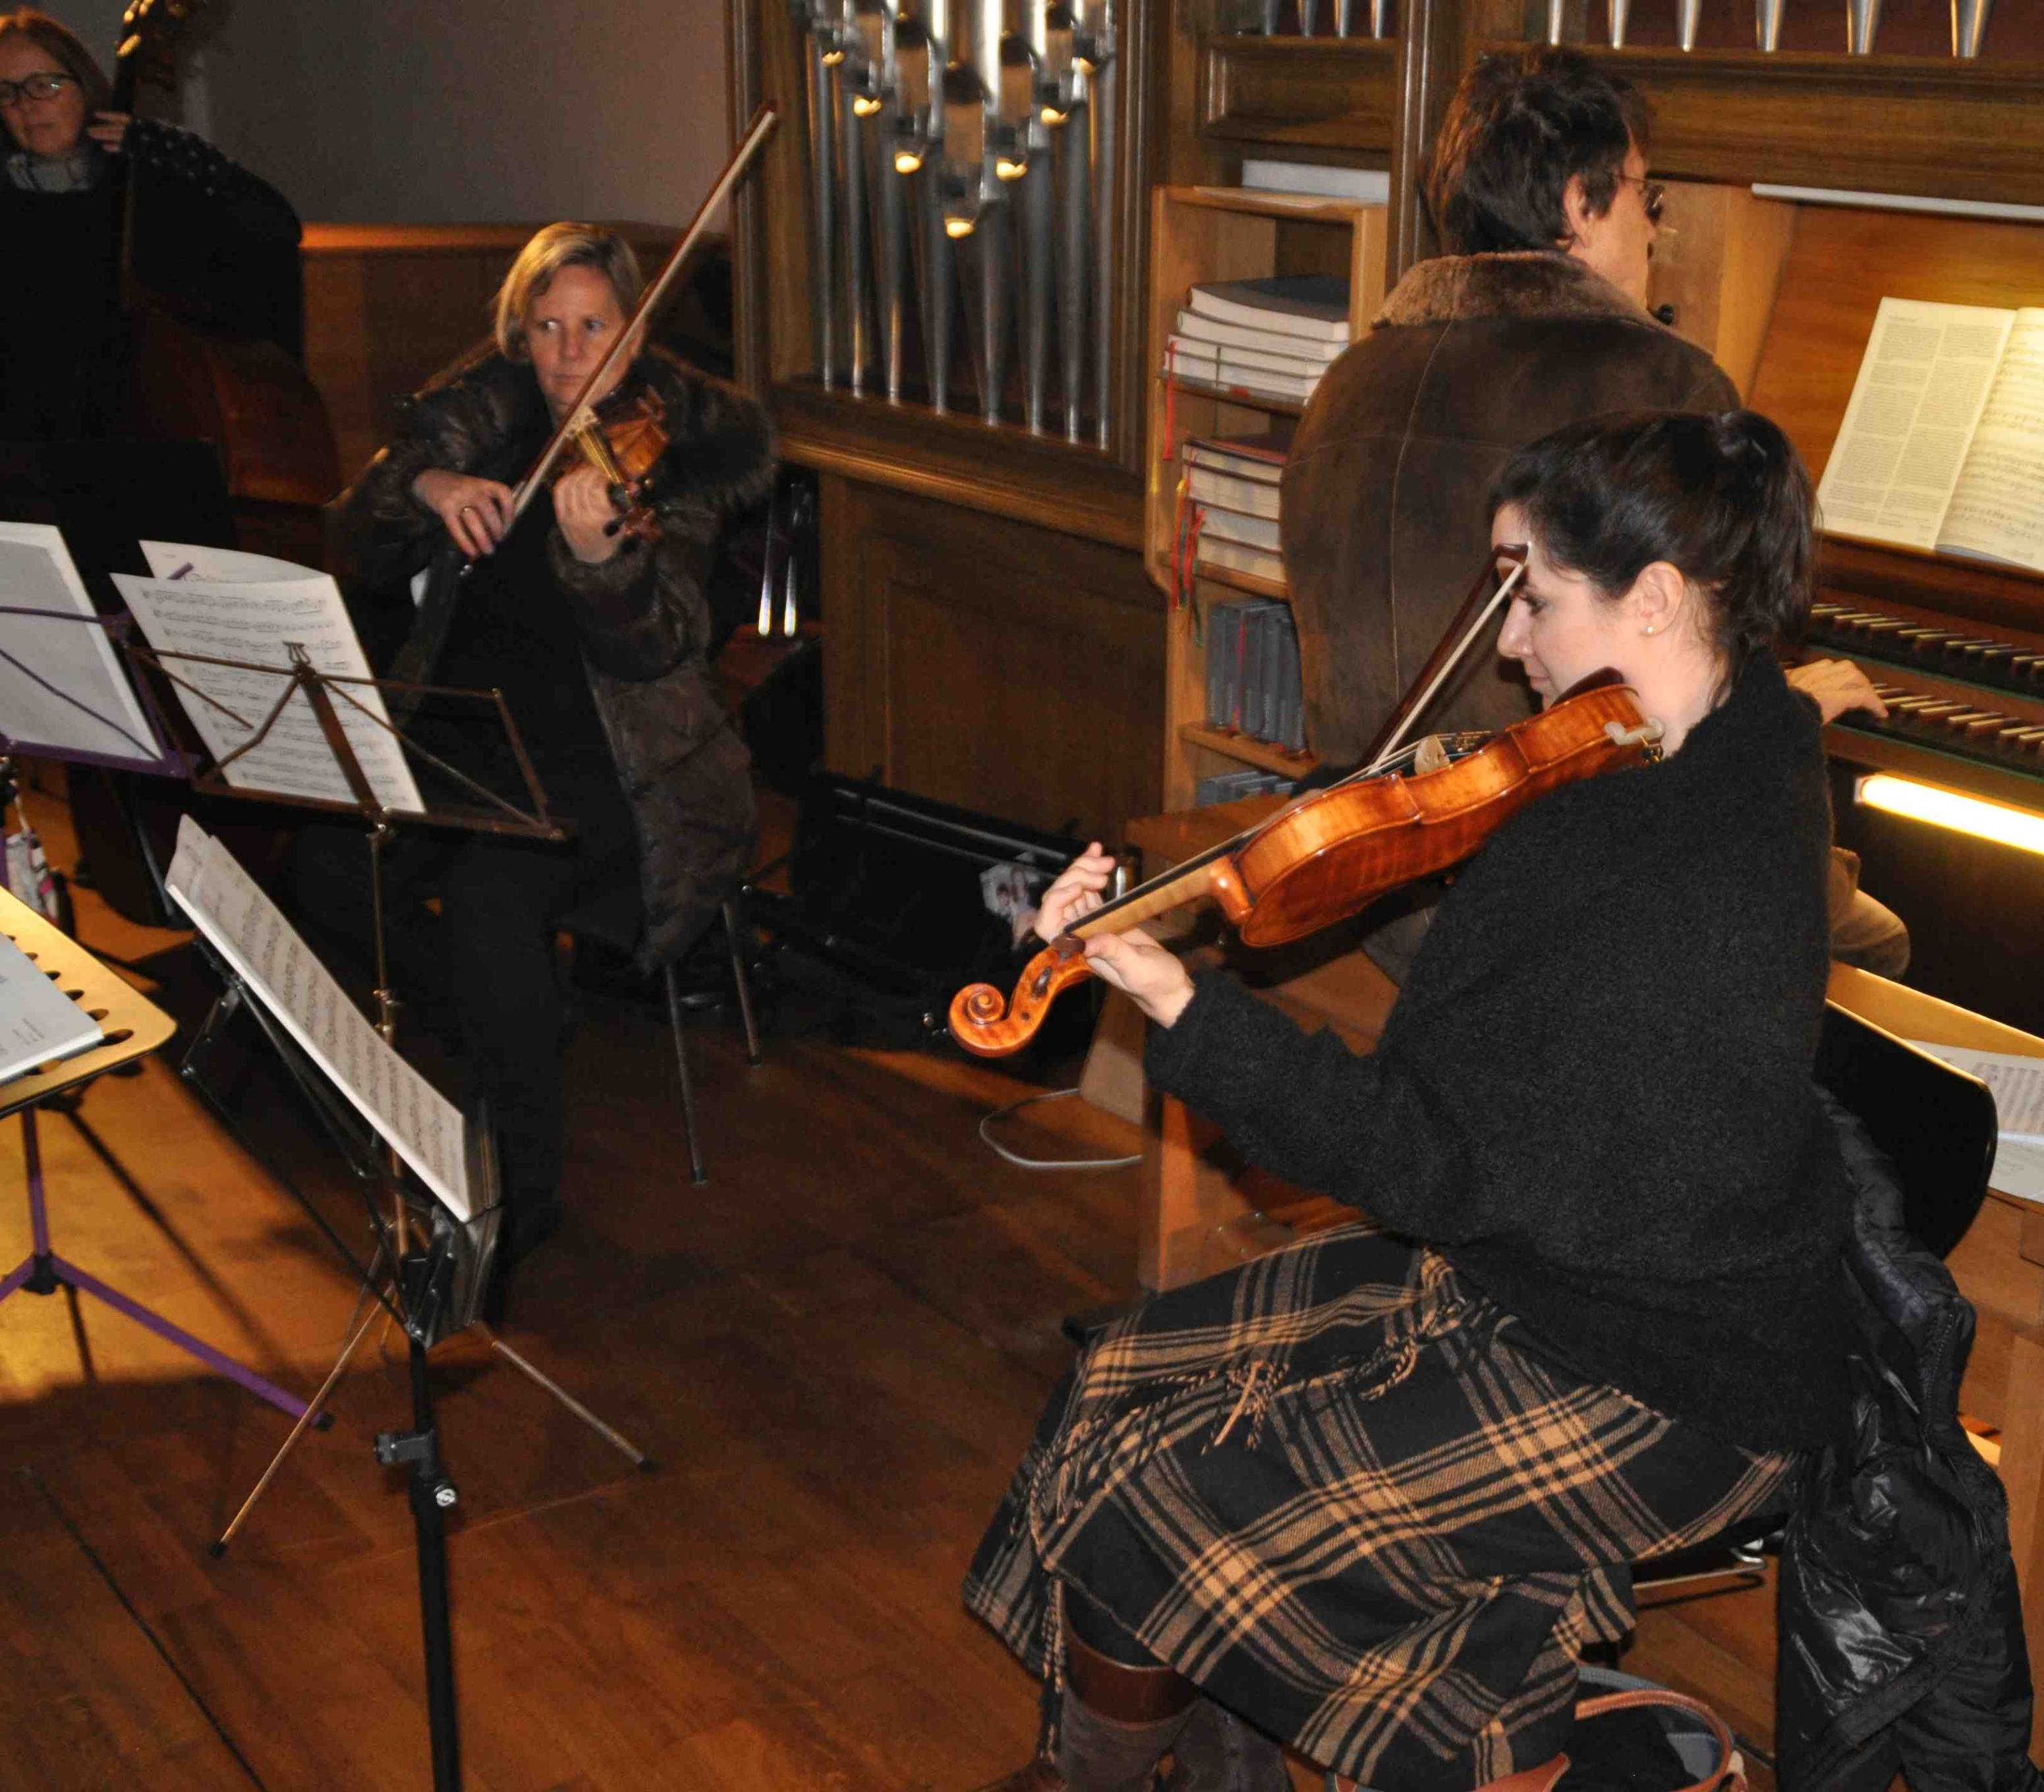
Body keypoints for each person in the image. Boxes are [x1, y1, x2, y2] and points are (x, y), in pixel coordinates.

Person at [967, 410, 1875, 1791]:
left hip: (1665, 1370)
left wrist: (1181, 1003)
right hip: (1546, 1267)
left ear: (1655, 598)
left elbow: (1423, 1156)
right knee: (1117, 1383)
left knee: (1161, 1499)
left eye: (1535, 596)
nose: (1509, 642)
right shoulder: (1724, 731)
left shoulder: (1657, 864)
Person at [1276, 46, 1909, 981]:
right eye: (1645, 199)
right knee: (1880, 940)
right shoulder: (1666, 388)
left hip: (1373, 884)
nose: (1652, 232)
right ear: (1580, 202)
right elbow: (1707, 729)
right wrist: (1793, 712)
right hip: (1550, 899)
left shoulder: (1346, 378)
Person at [301, 223, 770, 1297]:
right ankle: (508, 1029)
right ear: (520, 334)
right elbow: (357, 539)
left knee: (490, 900)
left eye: (594, 327)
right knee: (324, 871)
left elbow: (661, 646)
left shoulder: (674, 459)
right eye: (548, 327)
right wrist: (427, 486)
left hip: (612, 762)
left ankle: (523, 1188)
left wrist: (603, 562)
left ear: (635, 333)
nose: (569, 354)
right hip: (462, 734)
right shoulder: (485, 422)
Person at [0, 7, 303, 441]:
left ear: (83, 85)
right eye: (7, 92)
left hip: (167, 431)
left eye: (44, 85)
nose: (26, 105)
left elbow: (275, 225)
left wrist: (174, 152)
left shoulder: (152, 173)